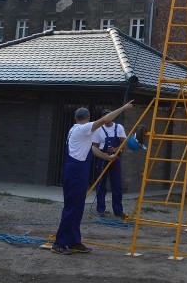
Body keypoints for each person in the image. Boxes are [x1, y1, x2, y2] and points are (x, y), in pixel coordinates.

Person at [52, 101, 134, 255]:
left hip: (79, 171)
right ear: (87, 118)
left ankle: (74, 241)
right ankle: (59, 243)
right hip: (75, 171)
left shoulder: (81, 132)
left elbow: (93, 149)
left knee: (78, 207)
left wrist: (106, 157)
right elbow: (104, 120)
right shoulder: (82, 129)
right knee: (71, 207)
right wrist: (123, 108)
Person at [93, 108, 128, 218]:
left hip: (115, 158)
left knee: (117, 184)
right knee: (101, 185)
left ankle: (118, 210)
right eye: (105, 116)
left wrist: (116, 149)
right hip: (103, 158)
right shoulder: (98, 129)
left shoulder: (119, 128)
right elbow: (95, 146)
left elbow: (124, 143)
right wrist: (104, 155)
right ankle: (100, 209)